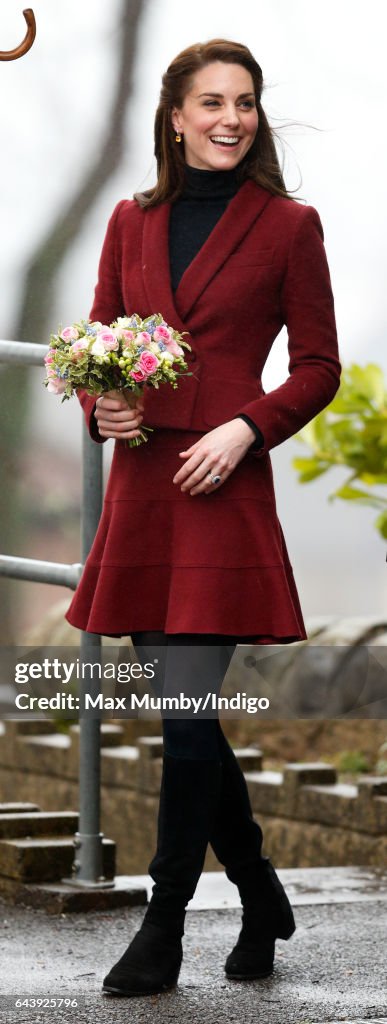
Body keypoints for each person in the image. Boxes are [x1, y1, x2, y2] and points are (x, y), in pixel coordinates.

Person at [66, 38, 341, 997]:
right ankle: (260, 888)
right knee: (187, 722)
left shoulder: (288, 225)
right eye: (212, 102)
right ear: (175, 117)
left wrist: (244, 428)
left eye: (246, 102)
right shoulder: (129, 220)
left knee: (185, 726)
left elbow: (317, 368)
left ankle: (164, 924)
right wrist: (104, 405)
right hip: (145, 491)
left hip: (221, 489)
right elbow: (100, 342)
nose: (231, 117)